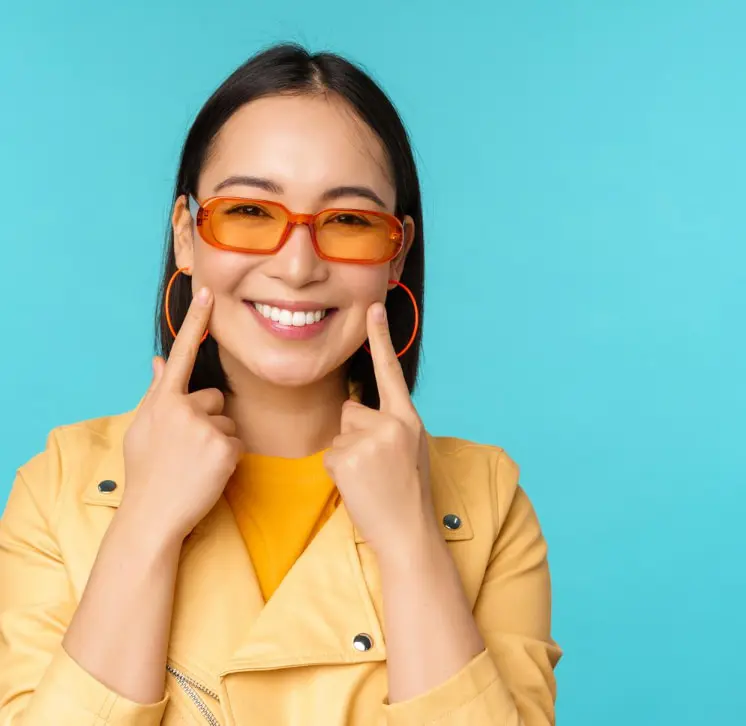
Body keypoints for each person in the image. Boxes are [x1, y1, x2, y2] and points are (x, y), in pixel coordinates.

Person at [0, 44, 560, 725]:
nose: (297, 267)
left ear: (397, 255)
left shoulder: (487, 503)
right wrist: (144, 523)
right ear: (186, 235)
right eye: (249, 212)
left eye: (348, 222)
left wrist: (411, 542)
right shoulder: (58, 489)